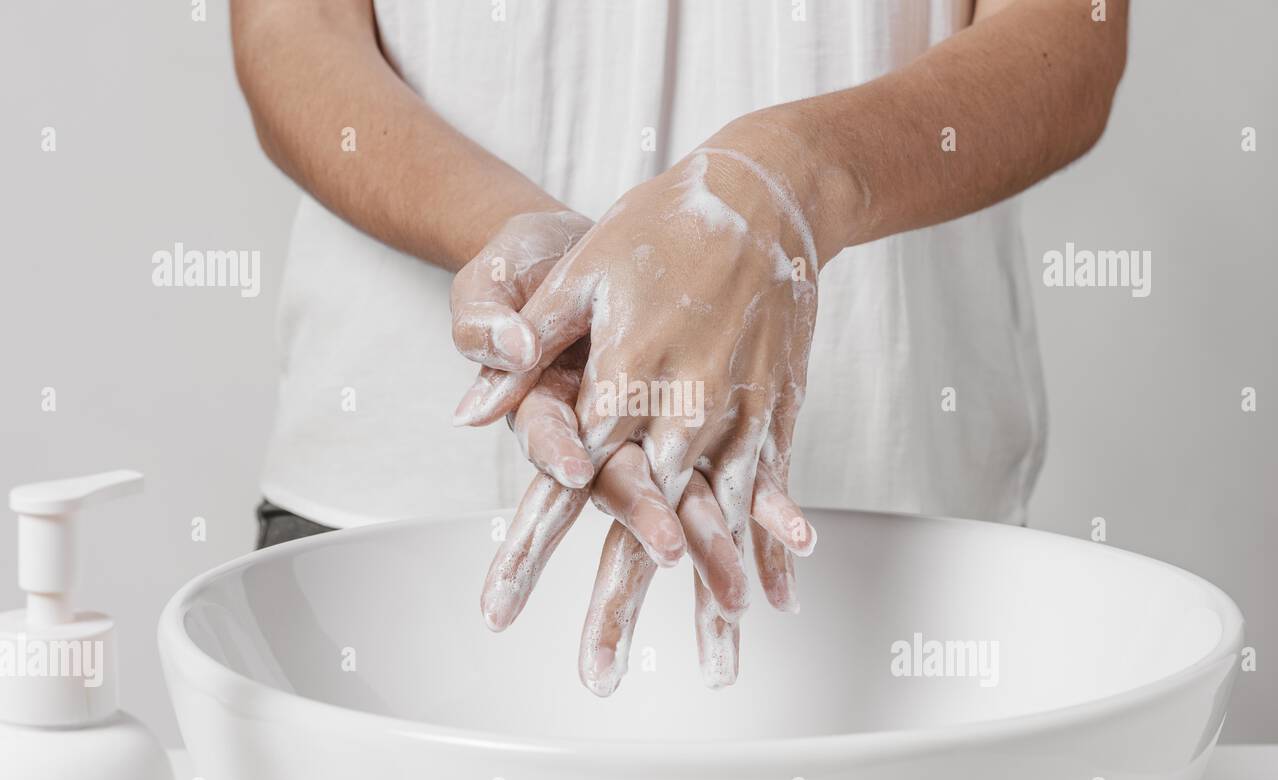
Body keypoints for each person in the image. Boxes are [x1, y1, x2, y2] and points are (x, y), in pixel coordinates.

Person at [232, 0, 1128, 695]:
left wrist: (791, 179)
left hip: (891, 554)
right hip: (391, 522)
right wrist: (544, 276)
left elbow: (1068, 35)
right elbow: (293, 25)